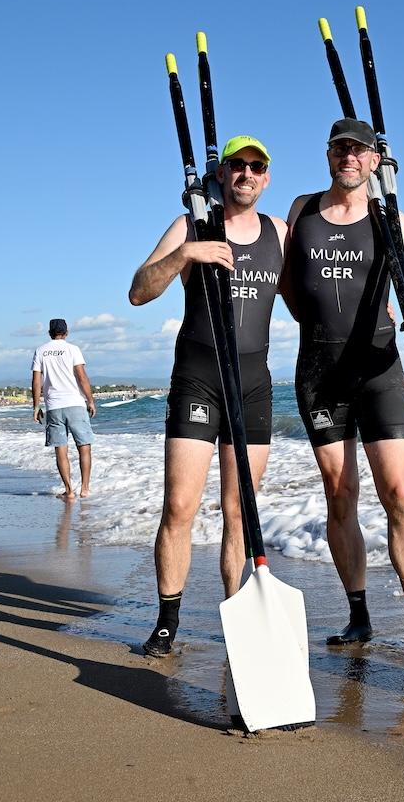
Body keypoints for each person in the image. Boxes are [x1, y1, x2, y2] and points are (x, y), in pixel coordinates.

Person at [280, 118, 404, 655]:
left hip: (378, 369)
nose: (348, 157)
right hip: (319, 372)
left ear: (375, 160)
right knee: (340, 493)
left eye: (358, 150)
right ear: (328, 155)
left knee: (398, 493)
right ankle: (359, 617)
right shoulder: (301, 210)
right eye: (339, 149)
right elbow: (285, 283)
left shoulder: (390, 218)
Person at [128, 135, 286, 657]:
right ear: (222, 174)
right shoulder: (192, 225)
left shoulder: (279, 233)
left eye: (256, 167)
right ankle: (167, 621)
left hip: (253, 384)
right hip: (198, 378)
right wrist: (186, 254)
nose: (246, 173)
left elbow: (315, 294)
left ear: (266, 177)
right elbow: (138, 290)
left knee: (239, 513)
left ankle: (237, 616)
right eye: (237, 165)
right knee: (179, 506)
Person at [31, 318, 96, 499]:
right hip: (75, 404)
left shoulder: (41, 351)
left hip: (54, 406)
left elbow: (36, 381)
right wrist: (90, 400)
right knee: (84, 446)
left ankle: (69, 491)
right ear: (66, 333)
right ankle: (85, 489)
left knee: (61, 448)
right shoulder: (73, 349)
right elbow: (81, 376)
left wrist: (36, 406)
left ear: (49, 333)